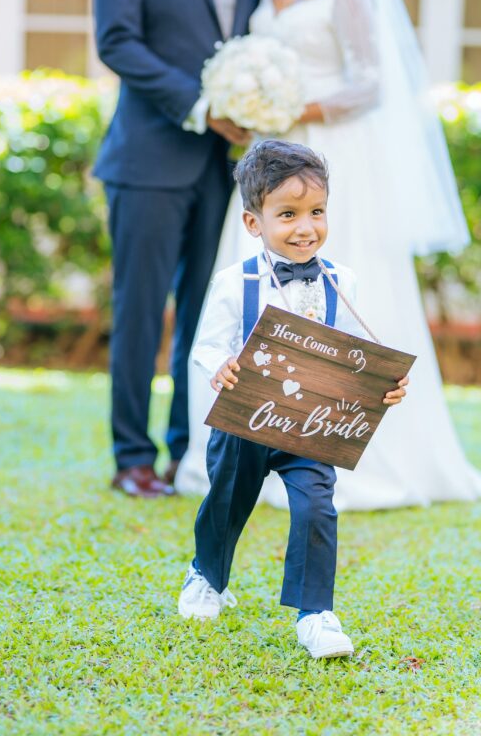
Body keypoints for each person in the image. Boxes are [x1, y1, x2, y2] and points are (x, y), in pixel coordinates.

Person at [176, 0, 481, 510]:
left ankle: (340, 445)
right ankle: (245, 443)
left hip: (330, 153)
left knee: (338, 288)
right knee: (251, 286)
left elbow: (369, 85)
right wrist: (251, 108)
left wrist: (290, 108)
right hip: (271, 160)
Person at [178, 140, 409, 659]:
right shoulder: (234, 282)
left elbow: (356, 353)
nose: (306, 228)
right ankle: (207, 576)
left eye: (317, 212)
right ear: (253, 223)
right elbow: (207, 345)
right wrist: (220, 364)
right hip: (244, 420)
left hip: (309, 426)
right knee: (227, 501)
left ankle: (315, 613)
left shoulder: (341, 282)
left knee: (316, 508)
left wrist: (382, 385)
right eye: (288, 215)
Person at [94, 0, 263, 497]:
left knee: (208, 312)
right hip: (148, 160)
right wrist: (200, 107)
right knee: (140, 311)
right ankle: (132, 457)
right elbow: (117, 40)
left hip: (225, 169)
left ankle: (188, 451)